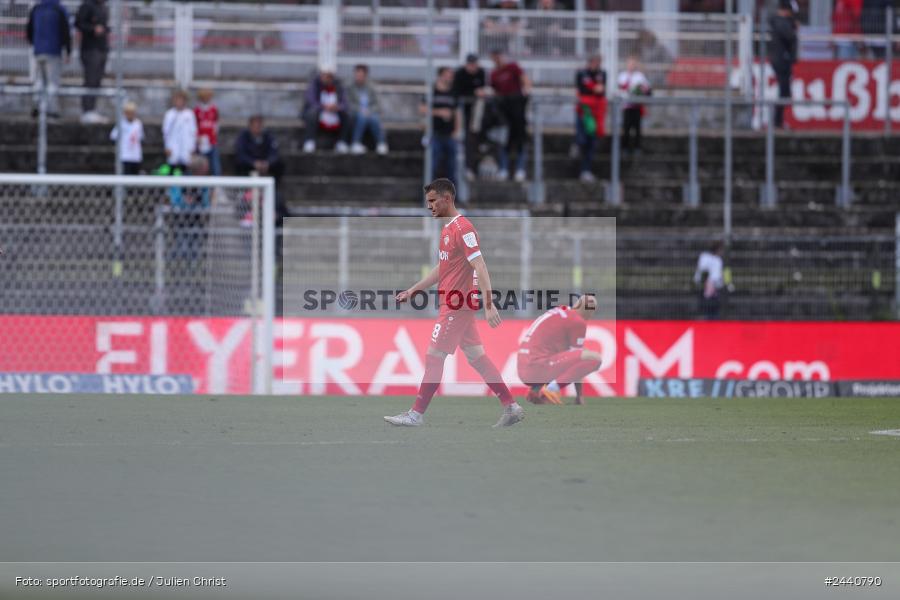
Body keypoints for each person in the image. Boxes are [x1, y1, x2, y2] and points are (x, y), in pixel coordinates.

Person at [384, 178, 524, 428]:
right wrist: (415, 289)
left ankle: (415, 414)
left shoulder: (463, 228)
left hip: (457, 304)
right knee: (476, 356)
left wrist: (489, 303)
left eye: (433, 201)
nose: (429, 206)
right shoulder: (447, 230)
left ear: (447, 199)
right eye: (427, 202)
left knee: (434, 356)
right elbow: (444, 267)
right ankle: (511, 406)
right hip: (454, 303)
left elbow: (480, 265)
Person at [517, 295, 602, 406]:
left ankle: (536, 391)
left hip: (523, 369)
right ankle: (551, 389)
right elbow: (578, 359)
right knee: (594, 358)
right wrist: (579, 396)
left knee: (577, 353)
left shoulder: (560, 311)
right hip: (538, 367)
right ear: (590, 311)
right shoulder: (578, 321)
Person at [234, 115, 287, 225]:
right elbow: (240, 155)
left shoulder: (268, 136)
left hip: (267, 170)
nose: (257, 127)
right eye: (255, 125)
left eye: (259, 125)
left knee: (280, 164)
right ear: (250, 126)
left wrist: (267, 163)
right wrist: (253, 163)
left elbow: (275, 153)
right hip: (248, 170)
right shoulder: (243, 137)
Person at [489, 48, 531, 182]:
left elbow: (524, 79)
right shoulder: (494, 74)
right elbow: (495, 91)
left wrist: (526, 91)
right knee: (503, 140)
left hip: (517, 109)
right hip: (504, 111)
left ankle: (520, 169)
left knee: (520, 139)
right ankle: (503, 168)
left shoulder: (513, 67)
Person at [26, 0, 71, 120]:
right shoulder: (59, 9)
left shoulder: (37, 9)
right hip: (53, 51)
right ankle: (51, 110)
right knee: (52, 82)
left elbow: (29, 29)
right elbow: (65, 31)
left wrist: (34, 44)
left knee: (39, 80)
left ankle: (37, 105)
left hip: (38, 51)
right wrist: (68, 50)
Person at [421, 67, 460, 186]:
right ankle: (429, 194)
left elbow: (457, 113)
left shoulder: (453, 92)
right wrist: (439, 112)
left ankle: (452, 195)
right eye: (448, 75)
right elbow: (422, 109)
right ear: (441, 76)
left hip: (449, 135)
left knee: (452, 166)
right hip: (434, 134)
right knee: (432, 165)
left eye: (451, 75)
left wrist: (457, 130)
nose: (450, 78)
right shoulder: (432, 91)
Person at [452, 54, 488, 181]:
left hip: (478, 112)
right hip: (464, 113)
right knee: (467, 138)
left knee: (475, 136)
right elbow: (457, 92)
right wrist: (473, 92)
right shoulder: (460, 74)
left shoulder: (481, 73)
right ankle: (468, 168)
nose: (473, 67)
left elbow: (483, 89)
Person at [301, 66, 351, 154]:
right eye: (325, 76)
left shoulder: (338, 85)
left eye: (329, 76)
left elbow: (345, 103)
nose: (327, 79)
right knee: (312, 113)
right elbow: (311, 100)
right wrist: (324, 107)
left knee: (347, 115)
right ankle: (309, 141)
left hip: (334, 112)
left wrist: (337, 107)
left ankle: (342, 142)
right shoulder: (314, 84)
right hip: (319, 111)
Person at [74, 0, 109, 124]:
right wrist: (93, 29)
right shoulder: (87, 5)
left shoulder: (103, 6)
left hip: (101, 48)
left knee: (97, 80)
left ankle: (92, 109)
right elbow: (78, 23)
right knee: (90, 80)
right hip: (90, 49)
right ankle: (87, 111)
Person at [575, 55, 606, 182]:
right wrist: (593, 88)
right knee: (582, 138)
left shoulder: (602, 74)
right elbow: (582, 89)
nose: (595, 64)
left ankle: (586, 170)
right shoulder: (582, 73)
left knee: (591, 142)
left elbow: (601, 90)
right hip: (584, 110)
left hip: (596, 112)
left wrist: (593, 88)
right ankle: (576, 146)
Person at [345, 64, 389, 155]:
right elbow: (348, 103)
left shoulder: (371, 87)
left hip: (370, 112)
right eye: (357, 75)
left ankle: (381, 143)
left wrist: (369, 111)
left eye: (361, 75)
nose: (359, 77)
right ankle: (355, 142)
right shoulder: (350, 87)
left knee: (375, 119)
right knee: (362, 117)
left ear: (365, 76)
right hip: (355, 113)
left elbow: (377, 104)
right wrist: (360, 110)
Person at [769, 0, 797, 129]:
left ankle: (778, 122)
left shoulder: (779, 22)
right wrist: (793, 26)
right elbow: (790, 36)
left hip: (782, 60)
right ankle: (777, 122)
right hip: (781, 61)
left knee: (785, 92)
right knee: (783, 91)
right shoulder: (781, 22)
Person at [616, 55, 651, 153]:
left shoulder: (640, 76)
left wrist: (641, 94)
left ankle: (637, 147)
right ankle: (625, 147)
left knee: (637, 128)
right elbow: (620, 89)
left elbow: (647, 89)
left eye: (633, 64)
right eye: (630, 63)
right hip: (627, 106)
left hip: (637, 106)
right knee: (626, 127)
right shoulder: (622, 75)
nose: (631, 66)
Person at [162, 89, 197, 172]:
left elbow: (193, 132)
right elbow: (166, 132)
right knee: (172, 169)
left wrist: (192, 147)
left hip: (186, 147)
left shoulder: (189, 114)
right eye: (177, 100)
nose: (179, 102)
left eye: (181, 100)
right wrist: (167, 147)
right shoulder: (169, 114)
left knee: (185, 169)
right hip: (173, 147)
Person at [109, 101, 143, 174]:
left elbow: (140, 137)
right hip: (125, 156)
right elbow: (113, 136)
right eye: (128, 112)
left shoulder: (138, 124)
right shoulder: (121, 123)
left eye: (132, 112)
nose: (130, 115)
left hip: (135, 156)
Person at [693, 241, 725, 319]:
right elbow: (702, 272)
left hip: (711, 289)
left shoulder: (709, 258)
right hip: (707, 288)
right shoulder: (715, 260)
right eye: (721, 250)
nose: (722, 252)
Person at [194, 88, 221, 175]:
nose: (206, 98)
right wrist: (197, 137)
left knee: (215, 164)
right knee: (201, 166)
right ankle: (202, 187)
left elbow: (216, 123)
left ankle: (217, 185)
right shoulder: (197, 110)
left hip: (212, 141)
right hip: (201, 142)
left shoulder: (214, 109)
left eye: (208, 97)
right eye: (204, 97)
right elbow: (194, 125)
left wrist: (214, 134)